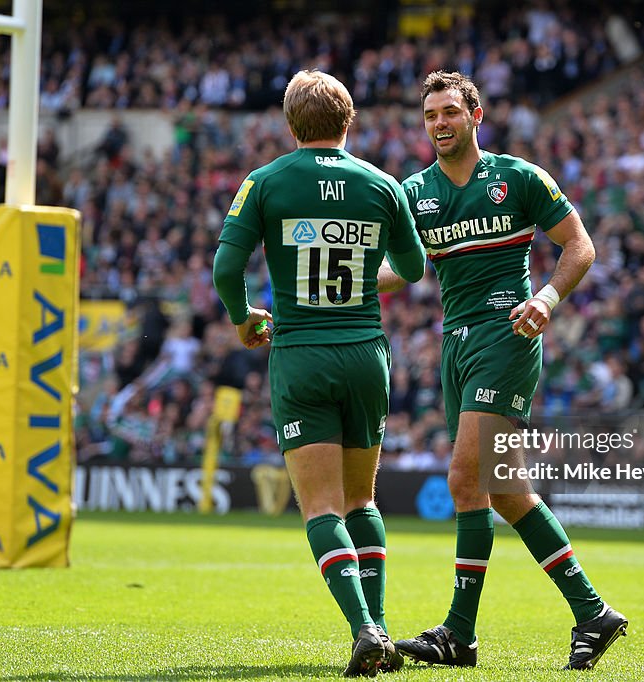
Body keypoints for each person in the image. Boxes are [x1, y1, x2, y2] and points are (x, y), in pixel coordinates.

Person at [389, 71, 627, 671]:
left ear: (476, 115)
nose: (439, 123)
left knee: (465, 480)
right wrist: (345, 288)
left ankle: (459, 634)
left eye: (449, 112)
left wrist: (546, 299)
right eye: (431, 115)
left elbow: (581, 246)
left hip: (508, 334)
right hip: (456, 344)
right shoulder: (415, 192)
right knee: (504, 490)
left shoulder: (518, 177)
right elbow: (406, 269)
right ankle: (593, 613)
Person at [212, 69, 425, 677]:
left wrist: (242, 318)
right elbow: (411, 268)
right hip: (365, 354)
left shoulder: (265, 182)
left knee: (322, 508)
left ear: (289, 123)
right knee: (362, 499)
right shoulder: (383, 185)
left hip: (301, 354)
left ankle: (364, 631)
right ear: (348, 121)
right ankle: (381, 627)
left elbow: (227, 271)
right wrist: (361, 277)